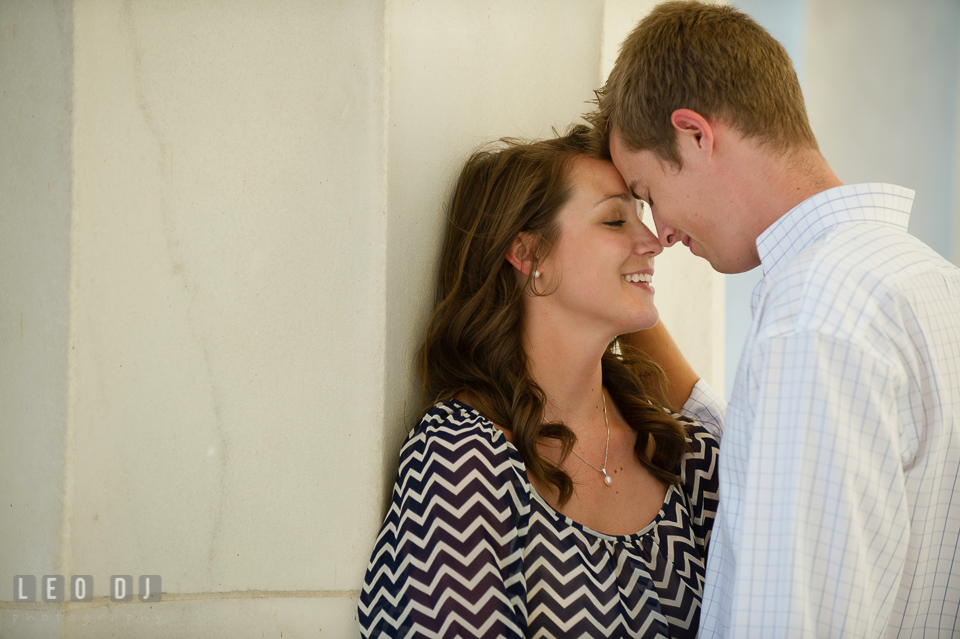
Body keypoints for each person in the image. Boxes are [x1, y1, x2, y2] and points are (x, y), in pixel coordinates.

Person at [590, 1, 960, 636]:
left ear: (695, 133)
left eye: (648, 194)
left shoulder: (812, 319)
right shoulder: (925, 280)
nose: (663, 233)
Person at [358, 126, 723, 638]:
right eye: (616, 219)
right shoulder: (461, 463)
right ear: (528, 255)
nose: (653, 241)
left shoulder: (685, 456)